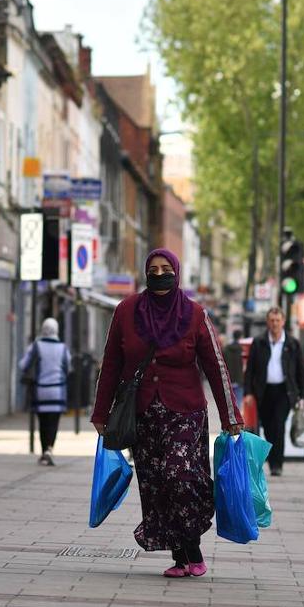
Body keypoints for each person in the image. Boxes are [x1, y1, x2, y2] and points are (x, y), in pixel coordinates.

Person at [90, 248, 243, 578]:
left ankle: (194, 550)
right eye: (153, 269)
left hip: (185, 412)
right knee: (157, 485)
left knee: (180, 476)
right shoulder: (126, 311)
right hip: (142, 415)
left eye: (166, 268)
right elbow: (112, 364)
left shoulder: (195, 314)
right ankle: (180, 557)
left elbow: (216, 367)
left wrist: (231, 416)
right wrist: (100, 413)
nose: (160, 274)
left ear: (176, 271)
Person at [245, 306, 304, 477]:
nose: (275, 324)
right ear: (267, 322)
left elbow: (300, 371)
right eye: (272, 320)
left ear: (283, 322)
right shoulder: (258, 342)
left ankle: (277, 465)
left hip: (284, 391)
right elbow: (250, 370)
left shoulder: (292, 344)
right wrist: (248, 393)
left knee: (279, 426)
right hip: (263, 391)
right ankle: (272, 459)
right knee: (267, 427)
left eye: (278, 320)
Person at [19, 317, 72, 466]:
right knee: (53, 422)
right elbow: (68, 368)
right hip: (58, 390)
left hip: (40, 391)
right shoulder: (63, 348)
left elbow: (23, 365)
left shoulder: (36, 346)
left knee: (42, 422)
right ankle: (49, 449)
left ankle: (43, 452)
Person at [224, 330, 245, 409]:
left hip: (229, 380)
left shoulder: (226, 349)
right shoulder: (242, 349)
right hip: (239, 380)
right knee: (238, 404)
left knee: (229, 404)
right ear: (240, 337)